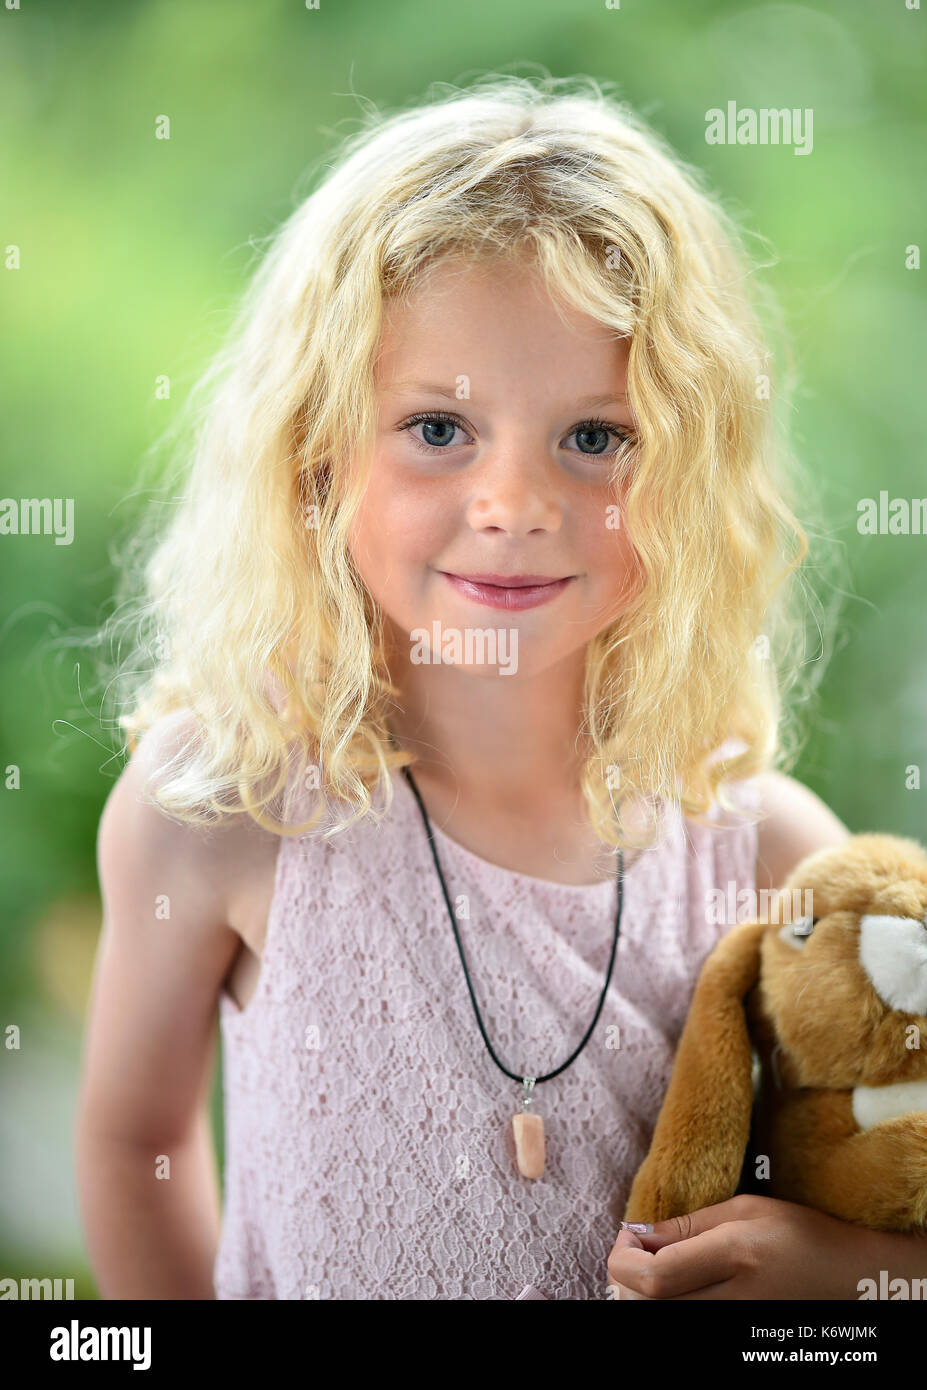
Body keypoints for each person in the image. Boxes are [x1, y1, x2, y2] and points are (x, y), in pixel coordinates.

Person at [77, 73, 912, 1301]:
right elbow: (134, 1137)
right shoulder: (223, 806)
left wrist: (841, 1271)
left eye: (596, 437)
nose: (514, 504)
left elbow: (891, 1178)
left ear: (690, 470)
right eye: (436, 428)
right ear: (315, 451)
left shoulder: (766, 853)